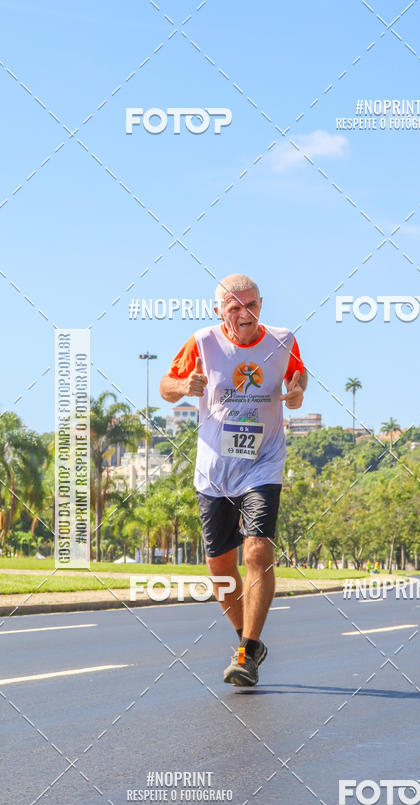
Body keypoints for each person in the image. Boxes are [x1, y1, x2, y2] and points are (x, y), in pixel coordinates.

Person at [159, 274, 307, 687]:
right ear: (219, 310)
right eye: (236, 307)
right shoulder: (203, 343)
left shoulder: (282, 340)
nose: (246, 313)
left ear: (261, 304)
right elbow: (166, 386)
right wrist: (183, 386)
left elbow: (298, 377)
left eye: (252, 304)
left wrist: (296, 394)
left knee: (257, 552)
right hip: (215, 470)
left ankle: (246, 651)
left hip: (263, 463)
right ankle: (248, 642)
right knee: (220, 568)